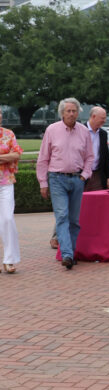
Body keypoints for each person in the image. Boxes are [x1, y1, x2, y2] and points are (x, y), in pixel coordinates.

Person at [37, 98, 93, 269]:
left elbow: (90, 157)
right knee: (62, 217)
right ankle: (67, 255)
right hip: (56, 179)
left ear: (78, 113)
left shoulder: (84, 131)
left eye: (74, 111)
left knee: (74, 220)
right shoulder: (52, 130)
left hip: (77, 179)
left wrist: (84, 175)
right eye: (68, 111)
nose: (71, 114)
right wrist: (43, 183)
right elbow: (43, 158)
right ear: (62, 113)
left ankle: (70, 252)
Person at [0, 108, 22, 274]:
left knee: (8, 219)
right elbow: (11, 154)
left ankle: (9, 259)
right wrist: (6, 156)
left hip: (6, 182)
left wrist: (6, 157)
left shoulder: (9, 134)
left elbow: (17, 154)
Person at [84, 106, 109, 191]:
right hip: (82, 175)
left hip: (97, 175)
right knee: (81, 202)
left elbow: (106, 157)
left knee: (97, 202)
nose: (104, 121)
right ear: (93, 116)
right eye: (102, 118)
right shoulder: (80, 130)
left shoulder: (103, 134)